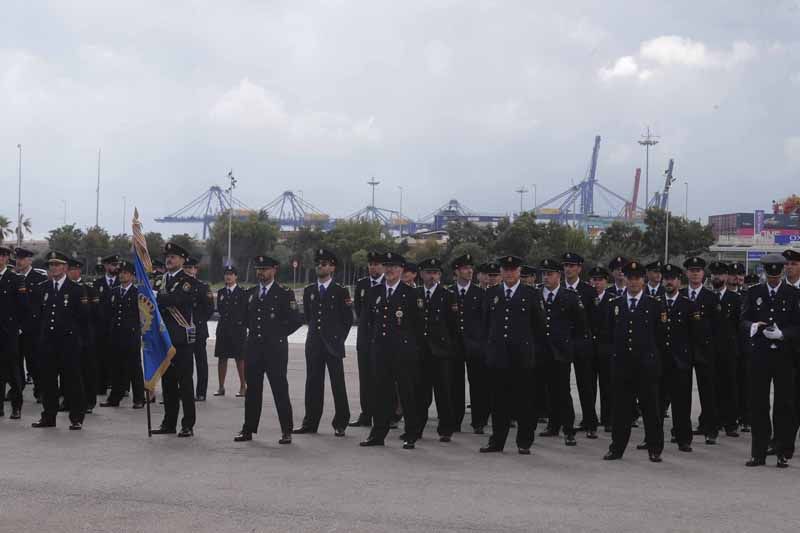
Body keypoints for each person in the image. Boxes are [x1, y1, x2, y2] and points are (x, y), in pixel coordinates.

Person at [235, 255, 303, 444]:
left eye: (264, 269)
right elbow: (244, 318)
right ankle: (248, 429)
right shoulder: (251, 293)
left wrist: (278, 334)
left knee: (280, 389)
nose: (261, 272)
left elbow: (296, 320)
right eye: (258, 269)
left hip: (275, 349)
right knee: (253, 391)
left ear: (274, 270)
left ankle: (286, 430)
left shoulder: (284, 293)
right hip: (254, 348)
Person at [740, 254, 799, 468]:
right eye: (770, 275)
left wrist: (783, 334)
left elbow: (797, 325)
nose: (774, 279)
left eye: (777, 275)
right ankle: (758, 453)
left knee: (784, 405)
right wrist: (755, 327)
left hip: (784, 357)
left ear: (782, 272)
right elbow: (743, 320)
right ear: (765, 273)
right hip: (760, 356)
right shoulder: (753, 292)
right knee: (758, 405)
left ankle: (782, 451)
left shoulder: (793, 294)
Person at [359, 252, 423, 450]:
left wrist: (412, 351)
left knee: (406, 393)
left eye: (394, 266)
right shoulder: (375, 291)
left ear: (402, 269)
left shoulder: (412, 293)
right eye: (386, 266)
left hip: (403, 352)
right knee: (381, 394)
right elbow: (367, 321)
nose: (389, 270)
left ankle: (411, 434)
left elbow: (418, 326)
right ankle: (378, 434)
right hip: (380, 350)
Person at [603, 260, 665, 463]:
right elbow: (609, 334)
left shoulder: (654, 305)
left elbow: (661, 337)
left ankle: (654, 448)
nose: (633, 282)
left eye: (637, 278)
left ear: (643, 280)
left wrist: (655, 362)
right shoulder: (615, 305)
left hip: (646, 367)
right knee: (621, 411)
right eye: (629, 278)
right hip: (622, 367)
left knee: (651, 411)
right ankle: (617, 448)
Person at [479, 255, 541, 454]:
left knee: (525, 402)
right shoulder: (492, 293)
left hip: (522, 357)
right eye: (505, 269)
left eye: (513, 269)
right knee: (498, 402)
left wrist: (533, 354)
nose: (509, 273)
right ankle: (497, 441)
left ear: (519, 271)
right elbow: (486, 324)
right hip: (499, 357)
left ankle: (524, 441)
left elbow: (538, 327)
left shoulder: (531, 294)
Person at [294, 249, 354, 436]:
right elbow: (309, 317)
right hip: (314, 344)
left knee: (338, 384)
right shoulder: (309, 290)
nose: (321, 266)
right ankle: (310, 422)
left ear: (332, 267)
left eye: (325, 263)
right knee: (313, 383)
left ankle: (341, 422)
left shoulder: (340, 290)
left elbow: (347, 320)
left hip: (333, 344)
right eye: (318, 263)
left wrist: (338, 339)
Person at [33, 251, 88, 430]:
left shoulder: (76, 289)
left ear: (65, 267)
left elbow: (83, 319)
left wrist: (78, 342)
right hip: (48, 343)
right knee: (48, 381)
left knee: (72, 381)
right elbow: (38, 316)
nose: (54, 268)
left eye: (57, 265)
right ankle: (49, 416)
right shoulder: (43, 288)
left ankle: (76, 417)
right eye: (51, 265)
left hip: (68, 344)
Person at [537, 258, 586, 446]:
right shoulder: (535, 294)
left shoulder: (570, 296)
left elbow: (581, 326)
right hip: (541, 351)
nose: (546, 277)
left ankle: (568, 429)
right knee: (546, 391)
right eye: (544, 274)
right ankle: (552, 424)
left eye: (550, 274)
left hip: (560, 352)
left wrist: (571, 348)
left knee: (562, 391)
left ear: (558, 275)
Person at [151, 243, 198, 438]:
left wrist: (155, 295)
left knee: (185, 384)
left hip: (181, 340)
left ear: (182, 260)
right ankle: (169, 423)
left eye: (173, 256)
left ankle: (187, 424)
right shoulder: (159, 280)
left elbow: (176, 300)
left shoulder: (188, 281)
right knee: (168, 384)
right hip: (164, 339)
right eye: (167, 256)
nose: (169, 259)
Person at [657, 264, 703, 453]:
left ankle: (683, 438)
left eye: (673, 278)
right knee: (656, 403)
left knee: (681, 403)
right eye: (666, 278)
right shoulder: (655, 302)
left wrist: (691, 358)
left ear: (679, 281)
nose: (669, 282)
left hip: (681, 362)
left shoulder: (689, 305)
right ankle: (652, 438)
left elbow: (696, 335)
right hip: (659, 361)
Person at [414, 257, 457, 442]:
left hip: (440, 352)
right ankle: (416, 427)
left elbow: (453, 326)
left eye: (435, 273)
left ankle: (446, 429)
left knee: (443, 393)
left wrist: (449, 349)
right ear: (421, 274)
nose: (432, 276)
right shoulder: (414, 294)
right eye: (428, 272)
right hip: (420, 351)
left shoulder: (447, 296)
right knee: (420, 393)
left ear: (440, 275)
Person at [681, 256, 719, 445]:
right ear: (687, 273)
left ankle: (710, 429)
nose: (695, 273)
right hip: (684, 351)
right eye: (692, 270)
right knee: (682, 393)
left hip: (705, 351)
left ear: (703, 274)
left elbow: (717, 327)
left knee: (708, 393)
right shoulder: (680, 295)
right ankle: (681, 429)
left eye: (698, 270)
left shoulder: (711, 297)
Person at [450, 254, 488, 434]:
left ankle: (478, 421)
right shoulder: (449, 293)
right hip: (454, 346)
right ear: (456, 271)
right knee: (455, 384)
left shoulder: (480, 293)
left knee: (478, 384)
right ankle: (455, 420)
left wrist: (482, 344)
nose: (470, 271)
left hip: (475, 346)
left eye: (471, 268)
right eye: (465, 268)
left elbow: (485, 321)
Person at [562, 252, 598, 438]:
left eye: (572, 265)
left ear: (579, 268)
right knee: (561, 385)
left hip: (582, 343)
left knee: (586, 385)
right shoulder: (557, 288)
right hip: (562, 344)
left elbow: (594, 320)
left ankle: (590, 423)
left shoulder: (588, 291)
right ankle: (560, 421)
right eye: (566, 265)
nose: (568, 269)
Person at [100, 260, 144, 408]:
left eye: (126, 273)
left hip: (131, 336)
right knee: (116, 367)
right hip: (116, 335)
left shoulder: (137, 293)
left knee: (134, 368)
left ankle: (138, 398)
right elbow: (107, 313)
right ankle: (115, 398)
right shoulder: (113, 292)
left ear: (132, 276)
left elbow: (142, 316)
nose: (122, 276)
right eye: (121, 273)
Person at [350, 251, 385, 428]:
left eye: (377, 264)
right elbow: (358, 308)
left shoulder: (389, 284)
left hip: (382, 339)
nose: (373, 267)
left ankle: (384, 415)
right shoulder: (362, 284)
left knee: (382, 379)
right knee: (365, 379)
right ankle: (366, 415)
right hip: (364, 339)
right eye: (371, 264)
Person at [708, 261, 742, 437]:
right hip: (709, 351)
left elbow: (739, 326)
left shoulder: (735, 299)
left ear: (726, 277)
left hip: (729, 351)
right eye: (714, 274)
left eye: (720, 274)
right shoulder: (706, 297)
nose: (717, 277)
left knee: (730, 387)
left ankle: (730, 423)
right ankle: (710, 422)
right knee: (710, 387)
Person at [66, 258, 99, 413]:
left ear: (79, 271)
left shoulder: (89, 289)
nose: (71, 272)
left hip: (85, 335)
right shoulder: (64, 288)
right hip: (68, 335)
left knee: (87, 370)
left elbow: (95, 313)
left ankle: (89, 401)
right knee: (69, 371)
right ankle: (68, 400)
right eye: (69, 269)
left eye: (74, 269)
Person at [13, 247, 46, 394]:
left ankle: (39, 388)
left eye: (22, 259)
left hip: (32, 327)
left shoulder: (38, 279)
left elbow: (40, 305)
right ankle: (17, 388)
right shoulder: (13, 278)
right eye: (17, 259)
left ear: (29, 260)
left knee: (34, 360)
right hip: (15, 326)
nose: (19, 262)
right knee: (16, 360)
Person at [588, 265, 615, 432]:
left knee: (608, 386)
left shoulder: (613, 299)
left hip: (607, 349)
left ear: (606, 281)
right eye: (594, 280)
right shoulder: (586, 298)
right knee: (589, 387)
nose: (597, 283)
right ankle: (589, 419)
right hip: (589, 349)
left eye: (600, 280)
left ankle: (608, 419)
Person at [213, 266, 248, 397]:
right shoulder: (221, 292)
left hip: (238, 330)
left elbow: (245, 312)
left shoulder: (242, 292)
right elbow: (221, 311)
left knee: (240, 359)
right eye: (226, 274)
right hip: (223, 330)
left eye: (231, 274)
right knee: (222, 358)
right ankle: (221, 387)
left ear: (236, 276)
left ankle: (243, 386)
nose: (228, 277)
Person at [0, 246, 25, 419]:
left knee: (13, 371)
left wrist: (19, 328)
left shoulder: (15, 279)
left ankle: (16, 406)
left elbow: (23, 306)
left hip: (9, 332)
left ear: (7, 259)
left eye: (3, 256)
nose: (0, 259)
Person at [184, 257, 213, 401]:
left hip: (198, 329)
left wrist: (198, 322)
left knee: (201, 362)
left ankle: (201, 392)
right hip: (182, 330)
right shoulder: (180, 286)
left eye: (192, 268)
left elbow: (209, 309)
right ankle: (184, 392)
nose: (189, 270)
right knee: (184, 364)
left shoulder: (203, 287)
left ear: (196, 270)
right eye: (187, 267)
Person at [93, 254, 120, 397]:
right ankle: (101, 385)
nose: (115, 267)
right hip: (102, 327)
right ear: (106, 266)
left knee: (118, 357)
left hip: (117, 325)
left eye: (116, 265)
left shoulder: (121, 283)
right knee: (101, 357)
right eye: (112, 265)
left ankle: (121, 386)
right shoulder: (98, 284)